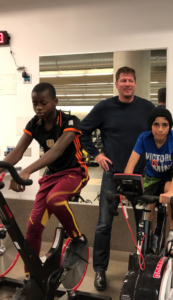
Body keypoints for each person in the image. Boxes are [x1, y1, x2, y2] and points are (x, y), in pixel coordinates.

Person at [0, 83, 89, 299]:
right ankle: (33, 280)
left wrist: (28, 171)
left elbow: (58, 150)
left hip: (74, 172)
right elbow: (18, 152)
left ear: (55, 102)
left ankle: (78, 240)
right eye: (35, 103)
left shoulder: (70, 122)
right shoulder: (35, 124)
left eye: (43, 103)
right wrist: (2, 168)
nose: (38, 107)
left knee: (55, 200)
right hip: (51, 176)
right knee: (32, 229)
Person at [80, 66, 155, 291]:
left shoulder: (147, 107)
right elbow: (82, 131)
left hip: (140, 175)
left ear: (135, 83)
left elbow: (159, 134)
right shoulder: (104, 107)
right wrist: (97, 154)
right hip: (113, 174)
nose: (127, 84)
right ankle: (100, 271)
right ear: (117, 84)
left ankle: (145, 268)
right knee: (104, 224)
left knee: (143, 224)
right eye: (123, 80)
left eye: (130, 80)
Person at [124, 107, 173, 257]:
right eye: (156, 124)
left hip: (170, 173)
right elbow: (130, 165)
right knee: (148, 209)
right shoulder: (144, 138)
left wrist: (170, 192)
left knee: (171, 195)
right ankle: (146, 237)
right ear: (151, 126)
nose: (160, 129)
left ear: (169, 126)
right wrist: (126, 186)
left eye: (164, 125)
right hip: (152, 175)